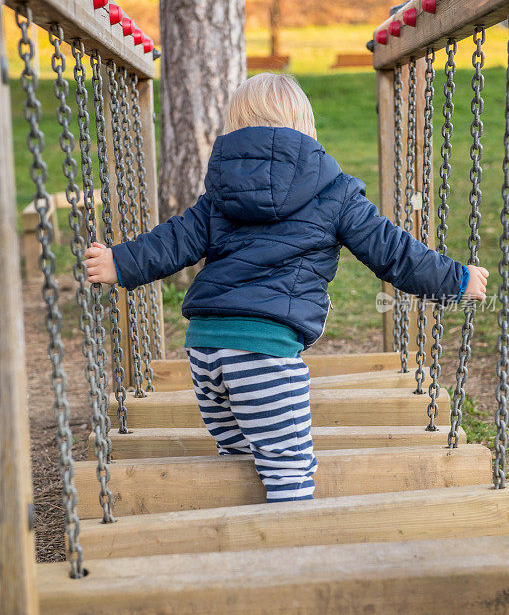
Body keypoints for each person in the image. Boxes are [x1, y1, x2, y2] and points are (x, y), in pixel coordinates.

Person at [84, 72, 488, 503]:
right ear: (307, 127)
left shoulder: (221, 191)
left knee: (236, 466)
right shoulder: (337, 191)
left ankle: (238, 545)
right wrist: (456, 280)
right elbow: (394, 252)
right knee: (289, 473)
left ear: (236, 128)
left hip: (205, 351)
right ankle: (286, 553)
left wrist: (119, 262)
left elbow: (174, 240)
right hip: (266, 353)